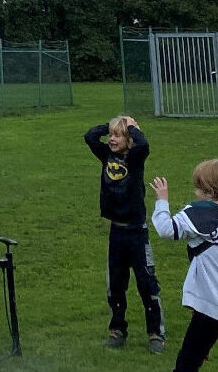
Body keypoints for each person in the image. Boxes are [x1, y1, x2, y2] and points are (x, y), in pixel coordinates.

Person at [84, 115, 165, 353]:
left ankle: (156, 334)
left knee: (147, 283)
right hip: (116, 232)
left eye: (117, 136)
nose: (111, 139)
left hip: (136, 233)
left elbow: (144, 145)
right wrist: (110, 124)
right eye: (110, 135)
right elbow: (89, 137)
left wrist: (131, 127)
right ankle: (117, 330)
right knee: (116, 285)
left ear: (128, 140)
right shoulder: (107, 157)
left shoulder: (135, 158)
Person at [150, 161, 218, 372]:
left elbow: (166, 229)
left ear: (208, 190)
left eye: (198, 185)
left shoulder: (201, 212)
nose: (195, 190)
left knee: (187, 363)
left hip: (212, 305)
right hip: (210, 303)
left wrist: (162, 201)